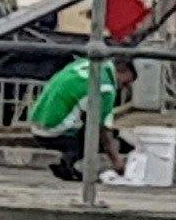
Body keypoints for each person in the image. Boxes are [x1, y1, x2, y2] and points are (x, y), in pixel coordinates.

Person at [30, 50, 121, 181]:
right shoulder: (106, 87)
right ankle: (71, 162)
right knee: (99, 132)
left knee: (89, 119)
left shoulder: (83, 64)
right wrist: (117, 162)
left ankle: (69, 160)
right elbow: (104, 131)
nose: (126, 87)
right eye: (126, 83)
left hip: (36, 125)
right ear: (122, 70)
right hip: (57, 131)